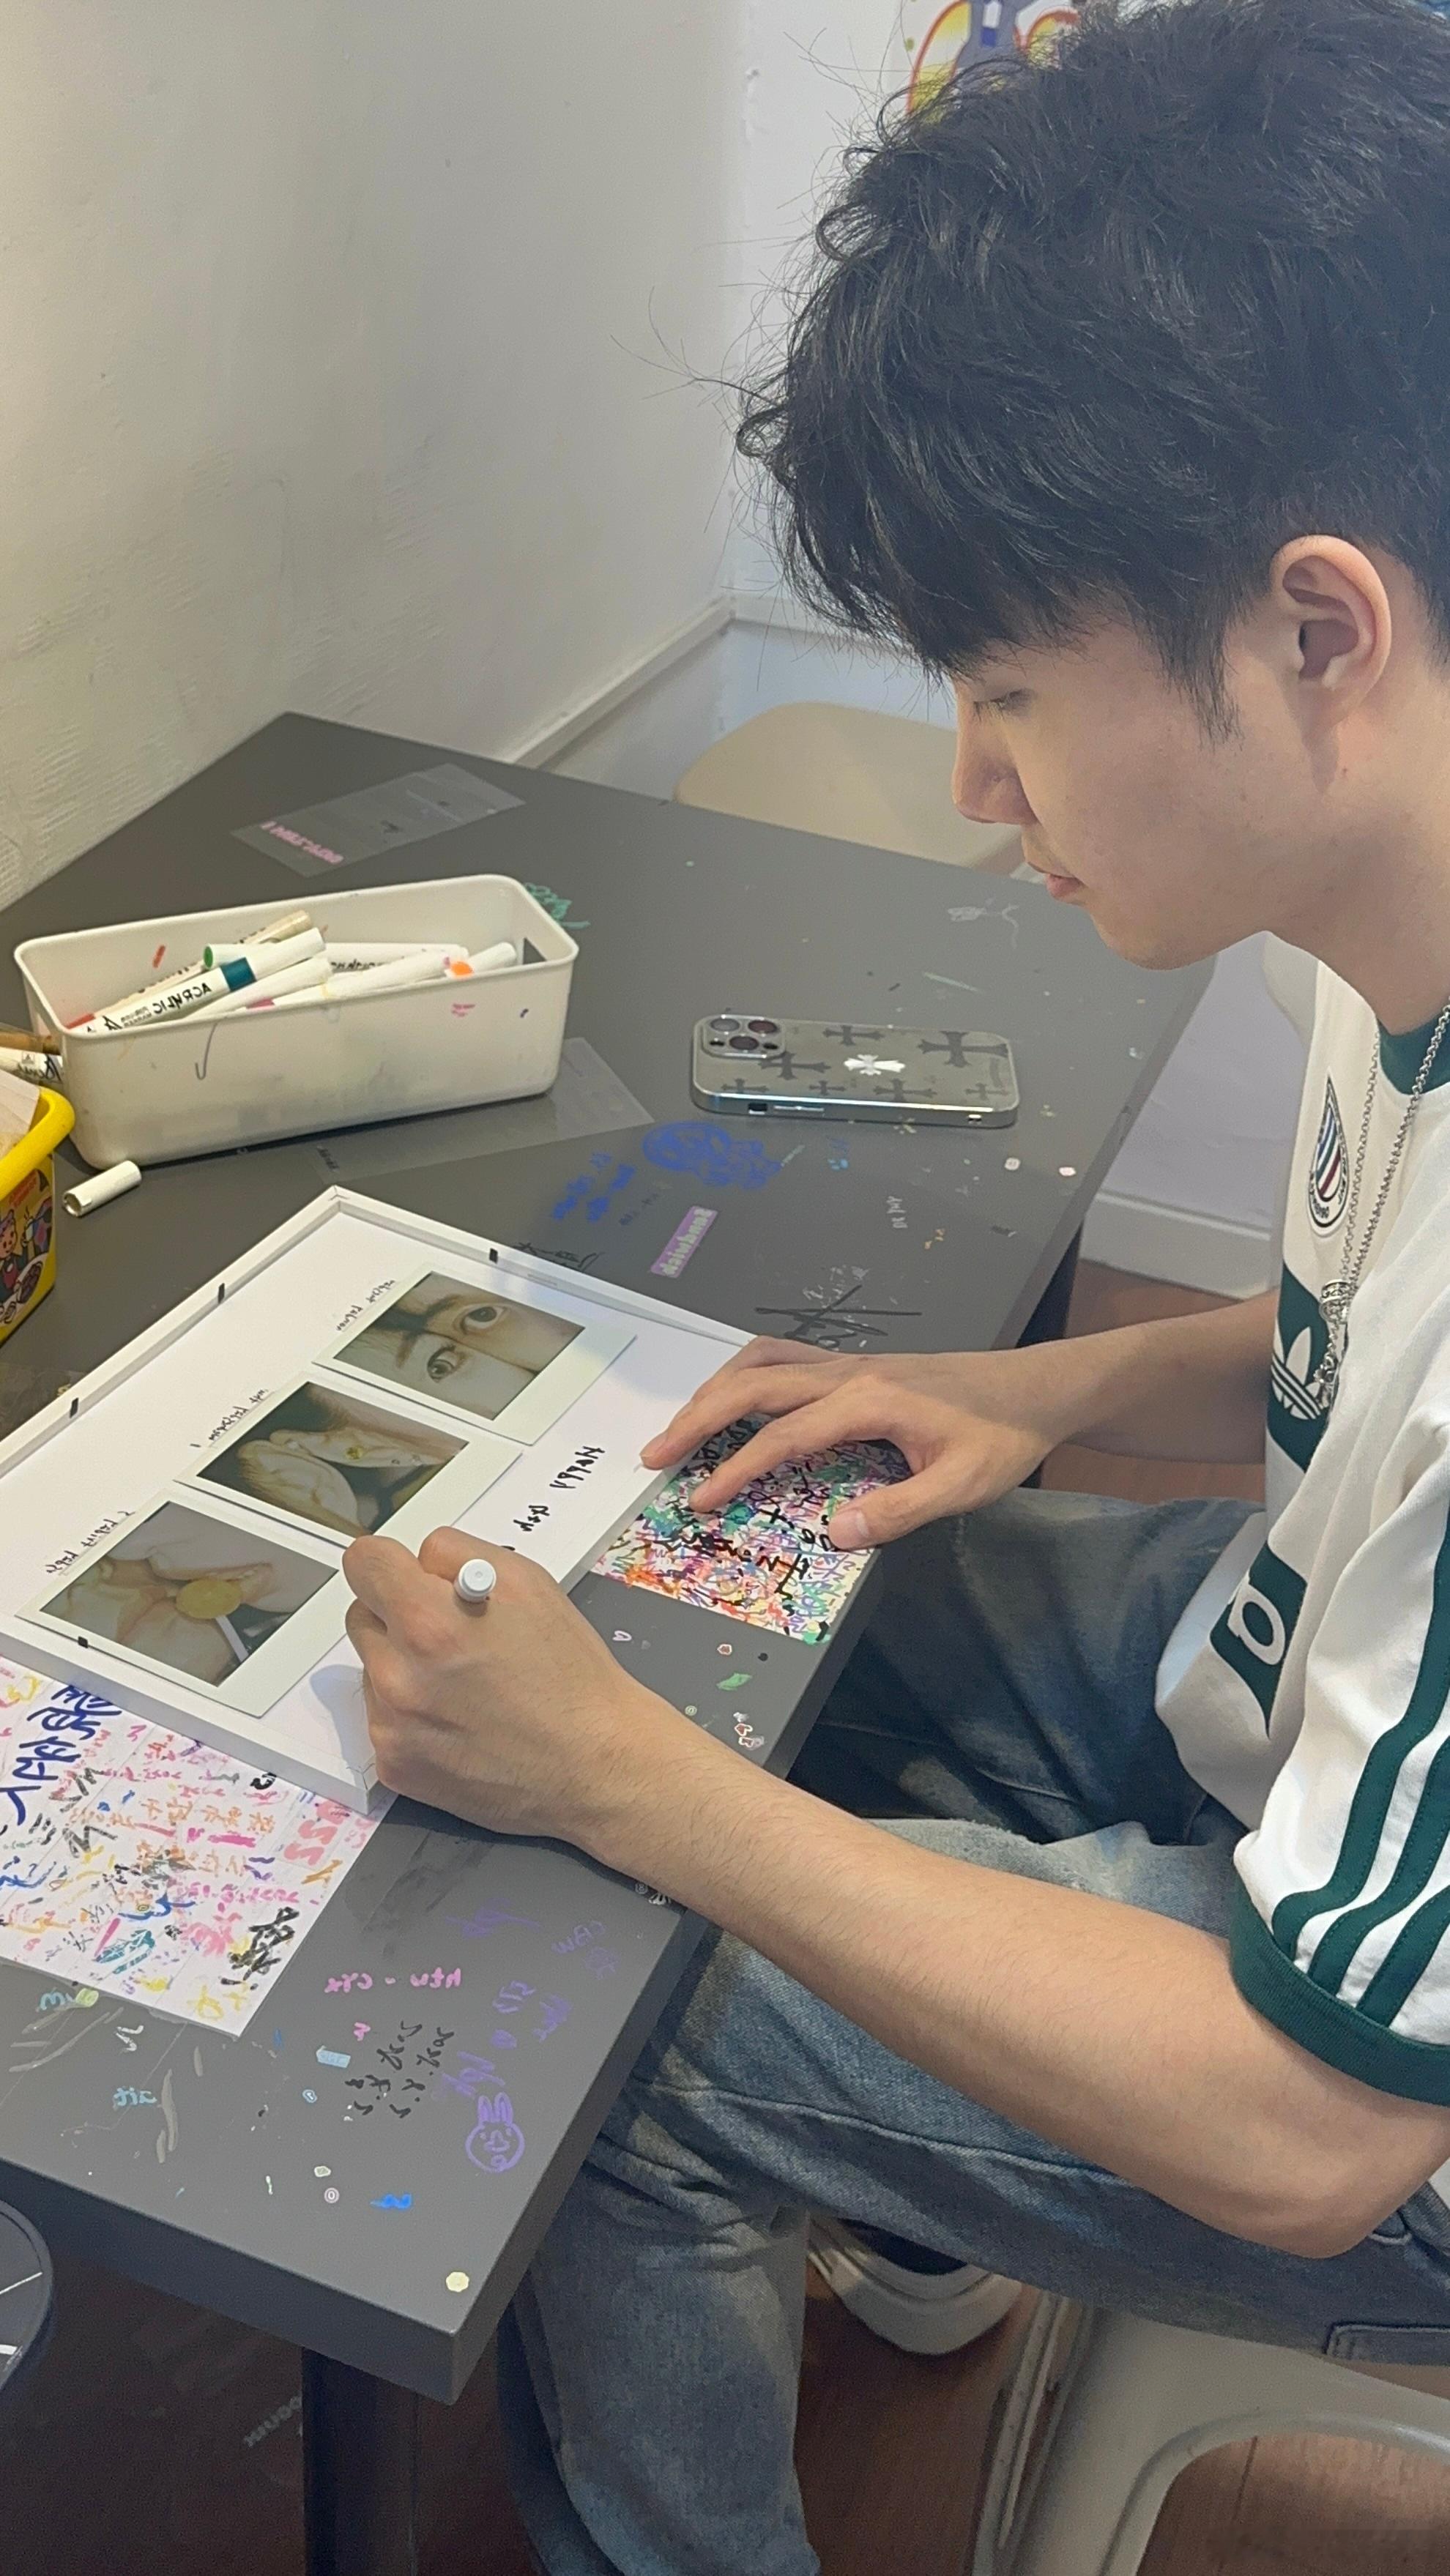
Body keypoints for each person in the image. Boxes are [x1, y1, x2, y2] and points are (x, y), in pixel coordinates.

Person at [341, 1, 1450, 2564]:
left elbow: (1309, 2128)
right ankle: (944, 2206)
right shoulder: (1385, 883)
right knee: (767, 1568)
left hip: (1372, 2109)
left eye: (1009, 690)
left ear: (1318, 633)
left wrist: (625, 1786)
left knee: (603, 2054)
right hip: (1297, 1666)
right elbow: (1362, 1352)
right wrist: (1036, 1388)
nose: (971, 778)